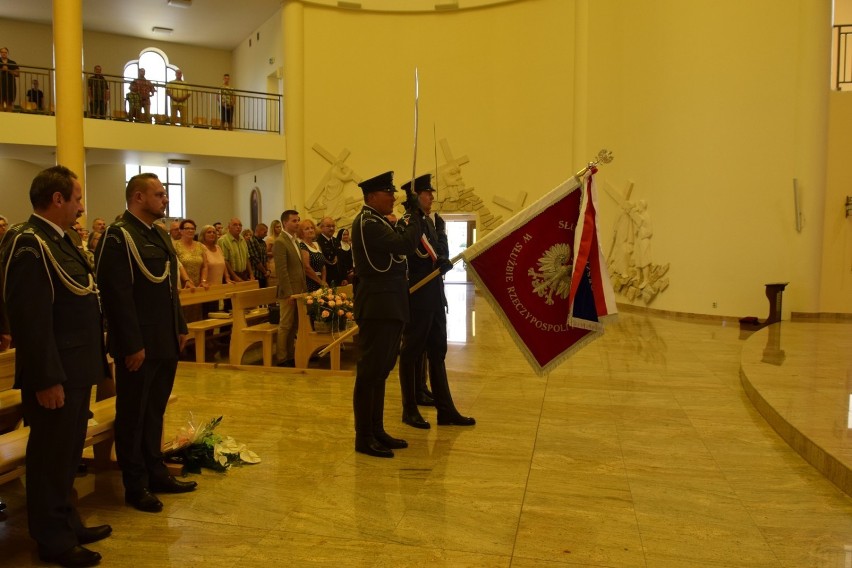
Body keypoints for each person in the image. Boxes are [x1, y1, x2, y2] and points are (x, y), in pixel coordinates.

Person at [1, 165, 112, 567]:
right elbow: (30, 318)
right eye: (77, 199)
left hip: (77, 367)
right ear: (57, 199)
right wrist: (47, 379)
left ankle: (68, 520)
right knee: (50, 458)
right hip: (56, 373)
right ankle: (52, 538)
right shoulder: (27, 241)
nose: (82, 207)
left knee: (68, 456)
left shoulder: (59, 240)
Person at [94, 172, 195, 515]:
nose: (165, 199)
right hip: (138, 345)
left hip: (164, 338)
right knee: (133, 414)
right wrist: (131, 344)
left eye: (164, 194)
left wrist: (179, 326)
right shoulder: (118, 236)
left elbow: (170, 290)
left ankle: (156, 471)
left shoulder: (159, 235)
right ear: (138, 197)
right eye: (159, 194)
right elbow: (116, 295)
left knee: (155, 410)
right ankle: (134, 484)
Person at [350, 171, 421, 458]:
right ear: (371, 197)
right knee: (370, 373)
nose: (393, 196)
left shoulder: (378, 221)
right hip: (378, 305)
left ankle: (376, 430)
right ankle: (363, 436)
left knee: (381, 372)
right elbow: (404, 245)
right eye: (388, 192)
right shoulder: (368, 222)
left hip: (389, 304)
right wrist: (414, 214)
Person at [398, 174, 475, 429]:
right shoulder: (409, 222)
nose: (432, 196)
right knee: (410, 353)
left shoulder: (428, 222)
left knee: (437, 353)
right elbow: (415, 256)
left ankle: (446, 410)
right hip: (418, 297)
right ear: (414, 196)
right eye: (427, 192)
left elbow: (436, 253)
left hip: (434, 296)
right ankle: (409, 409)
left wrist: (442, 251)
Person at [272, 210, 306, 367]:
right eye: (294, 221)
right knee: (285, 324)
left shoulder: (295, 240)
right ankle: (281, 357)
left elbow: (299, 268)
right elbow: (282, 270)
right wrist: (289, 293)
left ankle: (291, 354)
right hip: (289, 292)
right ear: (285, 223)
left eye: (298, 220)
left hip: (299, 290)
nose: (297, 223)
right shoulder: (280, 242)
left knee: (295, 324)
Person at [174, 219, 208, 289]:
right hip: (182, 286)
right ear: (180, 230)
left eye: (193, 229)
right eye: (187, 228)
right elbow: (178, 265)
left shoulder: (200, 246)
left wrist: (203, 281)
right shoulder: (175, 245)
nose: (190, 230)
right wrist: (187, 280)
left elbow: (205, 266)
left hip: (199, 286)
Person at [218, 217, 254, 282]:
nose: (238, 227)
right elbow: (225, 261)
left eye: (240, 225)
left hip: (244, 274)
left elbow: (247, 258)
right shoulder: (223, 240)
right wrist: (234, 276)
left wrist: (251, 274)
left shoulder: (242, 239)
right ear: (229, 227)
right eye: (235, 225)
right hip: (231, 276)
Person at [298, 219, 327, 292]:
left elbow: (323, 265)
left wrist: (323, 281)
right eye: (307, 229)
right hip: (310, 282)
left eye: (312, 228)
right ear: (301, 233)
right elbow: (306, 267)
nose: (311, 230)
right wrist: (320, 282)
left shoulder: (316, 244)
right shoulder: (302, 246)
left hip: (321, 281)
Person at [316, 217, 344, 286]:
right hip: (326, 280)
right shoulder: (317, 242)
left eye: (333, 226)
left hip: (339, 279)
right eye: (328, 226)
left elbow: (341, 260)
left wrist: (344, 277)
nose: (331, 228)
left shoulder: (336, 241)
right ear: (321, 228)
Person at [248, 223, 270, 287]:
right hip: (256, 275)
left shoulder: (263, 243)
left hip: (264, 275)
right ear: (259, 231)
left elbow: (265, 258)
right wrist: (265, 272)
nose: (266, 234)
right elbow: (255, 259)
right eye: (265, 232)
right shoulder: (251, 241)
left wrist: (268, 270)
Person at [0, 47, 19, 111]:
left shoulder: (12, 62)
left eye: (5, 52)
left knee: (9, 103)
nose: (4, 54)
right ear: (0, 53)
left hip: (10, 86)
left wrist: (8, 70)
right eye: (2, 52)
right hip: (0, 85)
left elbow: (17, 73)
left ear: (7, 53)